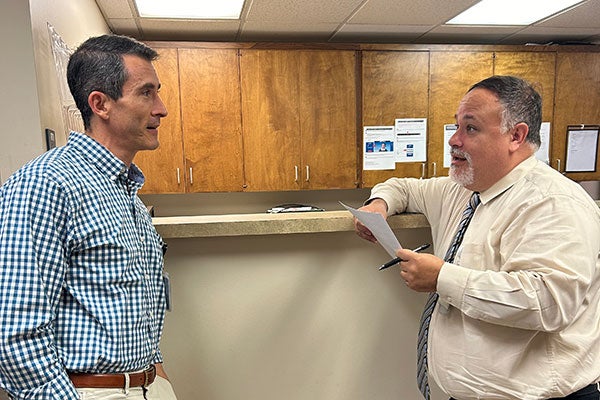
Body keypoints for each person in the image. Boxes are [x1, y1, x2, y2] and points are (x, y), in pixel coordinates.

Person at [355, 75, 600, 400]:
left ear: (516, 135)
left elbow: (548, 303)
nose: (454, 140)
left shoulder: (554, 201)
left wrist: (442, 278)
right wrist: (379, 204)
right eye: (456, 127)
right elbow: (404, 187)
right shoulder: (462, 189)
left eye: (470, 129)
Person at [0, 34, 177, 399]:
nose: (161, 108)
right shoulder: (45, 185)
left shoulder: (124, 192)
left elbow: (137, 308)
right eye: (147, 93)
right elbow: (14, 334)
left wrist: (158, 379)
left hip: (145, 386)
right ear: (100, 104)